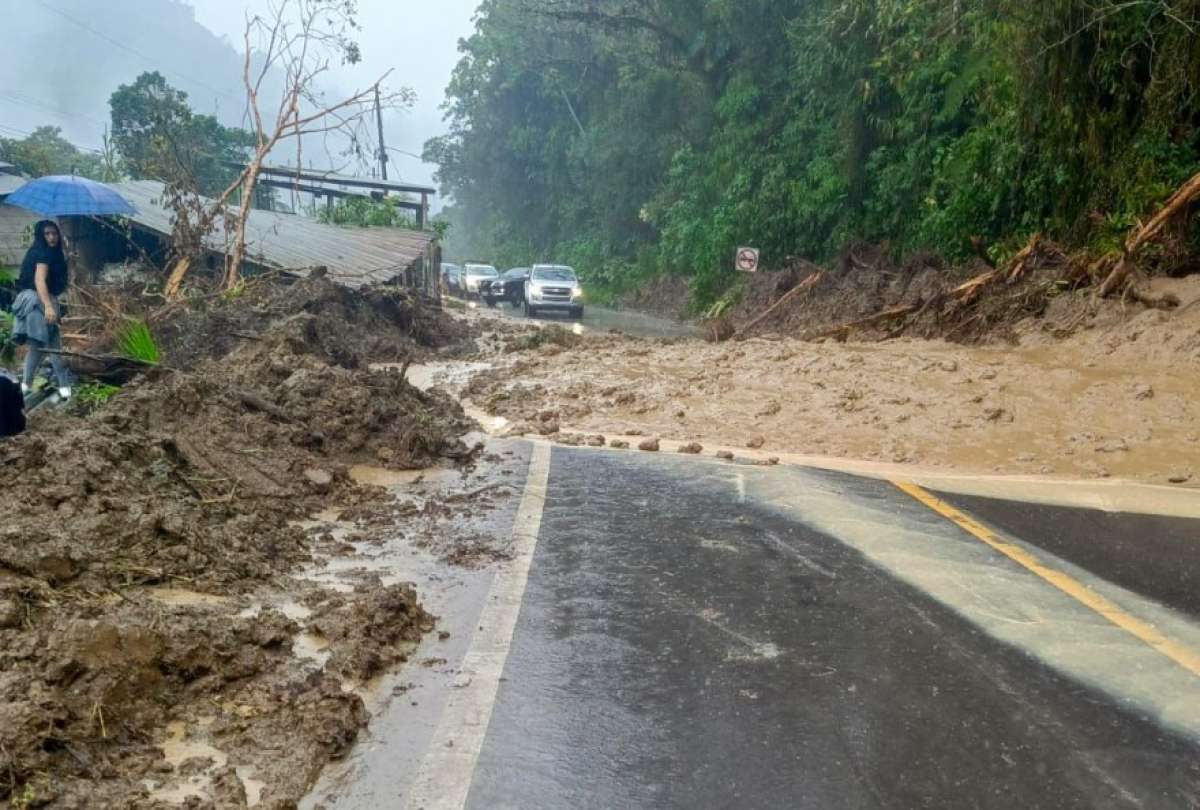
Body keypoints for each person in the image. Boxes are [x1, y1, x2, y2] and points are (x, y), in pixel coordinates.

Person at [12, 220, 71, 400]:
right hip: (38, 301)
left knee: (42, 345)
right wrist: (48, 307)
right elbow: (39, 280)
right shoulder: (43, 253)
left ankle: (27, 385)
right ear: (41, 235)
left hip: (35, 299)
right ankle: (62, 386)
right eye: (47, 234)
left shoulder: (45, 252)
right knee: (48, 343)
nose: (52, 237)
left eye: (54, 233)